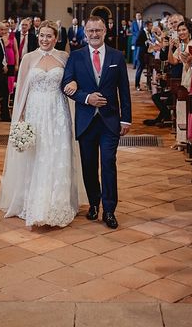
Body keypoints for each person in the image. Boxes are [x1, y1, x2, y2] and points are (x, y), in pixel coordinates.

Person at [0, 21, 85, 227]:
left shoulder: (64, 57)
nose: (45, 39)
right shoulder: (28, 58)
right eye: (42, 35)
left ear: (56, 38)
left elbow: (72, 80)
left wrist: (74, 83)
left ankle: (57, 201)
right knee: (35, 153)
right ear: (38, 35)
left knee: (57, 153)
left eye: (49, 36)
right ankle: (31, 199)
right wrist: (20, 116)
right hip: (34, 110)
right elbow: (22, 89)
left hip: (58, 112)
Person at [62, 16, 132, 229]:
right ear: (85, 32)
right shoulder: (75, 57)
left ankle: (109, 210)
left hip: (110, 120)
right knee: (89, 165)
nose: (94, 34)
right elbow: (66, 83)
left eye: (98, 30)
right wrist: (86, 97)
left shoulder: (117, 56)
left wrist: (126, 119)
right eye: (91, 31)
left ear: (105, 32)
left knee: (109, 163)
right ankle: (94, 203)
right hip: (86, 121)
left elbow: (124, 90)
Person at [3, 20, 19, 94]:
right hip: (3, 61)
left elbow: (16, 52)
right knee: (3, 79)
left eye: (7, 26)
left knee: (10, 79)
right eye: (4, 25)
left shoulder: (12, 36)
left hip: (11, 61)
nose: (5, 27)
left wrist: (17, 64)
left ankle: (10, 95)